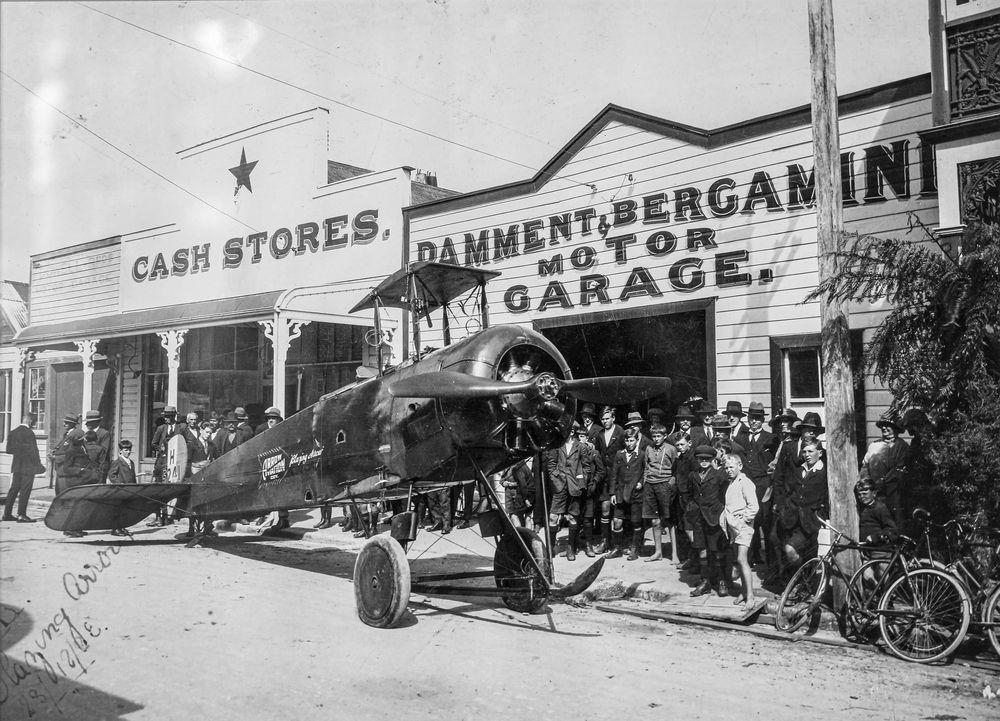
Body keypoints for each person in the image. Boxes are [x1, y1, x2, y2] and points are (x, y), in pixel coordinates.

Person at [734, 401, 778, 571]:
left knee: (766, 521)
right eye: (752, 418)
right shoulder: (740, 439)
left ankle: (770, 563)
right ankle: (750, 558)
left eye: (758, 419)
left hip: (764, 484)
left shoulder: (771, 439)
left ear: (762, 420)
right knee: (748, 521)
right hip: (746, 485)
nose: (754, 422)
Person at [543, 420, 594, 560]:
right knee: (553, 517)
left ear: (575, 432)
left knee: (573, 517)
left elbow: (586, 467)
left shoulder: (581, 447)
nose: (570, 432)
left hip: (575, 487)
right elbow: (551, 465)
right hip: (560, 487)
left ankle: (571, 549)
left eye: (572, 430)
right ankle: (550, 547)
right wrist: (556, 480)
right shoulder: (556, 445)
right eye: (567, 429)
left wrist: (581, 482)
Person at [777, 440, 829, 572]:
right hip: (791, 519)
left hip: (810, 521)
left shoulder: (825, 472)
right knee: (797, 553)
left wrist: (821, 514)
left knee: (793, 550)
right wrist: (785, 508)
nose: (807, 455)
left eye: (810, 451)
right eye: (804, 451)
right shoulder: (799, 469)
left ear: (820, 453)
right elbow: (789, 490)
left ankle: (804, 582)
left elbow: (828, 497)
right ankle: (801, 584)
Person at [686, 445, 729, 597]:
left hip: (714, 519)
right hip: (698, 519)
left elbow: (724, 496)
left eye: (707, 459)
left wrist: (719, 512)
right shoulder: (692, 475)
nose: (704, 462)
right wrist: (692, 511)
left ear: (712, 460)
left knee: (717, 551)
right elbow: (690, 495)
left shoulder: (719, 475)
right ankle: (705, 582)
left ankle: (722, 580)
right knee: (702, 550)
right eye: (701, 459)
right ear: (697, 459)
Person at [721, 454, 759, 609]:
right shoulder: (732, 483)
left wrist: (743, 520)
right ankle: (743, 592)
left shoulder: (746, 483)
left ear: (740, 466)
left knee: (743, 560)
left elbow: (754, 506)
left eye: (731, 467)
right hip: (734, 527)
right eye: (726, 468)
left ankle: (750, 597)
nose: (728, 470)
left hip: (743, 527)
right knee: (738, 559)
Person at [859, 415, 910, 528]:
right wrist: (866, 485)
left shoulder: (902, 446)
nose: (884, 428)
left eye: (888, 426)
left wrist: (883, 483)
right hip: (874, 494)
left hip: (893, 494)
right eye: (882, 426)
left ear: (896, 428)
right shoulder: (874, 445)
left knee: (893, 523)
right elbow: (865, 467)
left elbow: (899, 469)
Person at [641, 423, 678, 563]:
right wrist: (646, 481)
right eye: (654, 436)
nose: (656, 439)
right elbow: (646, 467)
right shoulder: (649, 448)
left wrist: (670, 484)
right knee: (654, 520)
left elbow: (676, 468)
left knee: (668, 521)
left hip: (665, 485)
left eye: (659, 436)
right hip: (650, 486)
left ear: (665, 436)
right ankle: (658, 552)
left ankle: (675, 554)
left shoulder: (671, 449)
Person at [591, 406, 624, 553]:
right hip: (605, 478)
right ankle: (605, 542)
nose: (605, 421)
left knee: (618, 513)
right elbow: (597, 455)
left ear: (613, 418)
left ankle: (618, 545)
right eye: (603, 419)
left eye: (607, 418)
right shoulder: (599, 435)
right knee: (604, 509)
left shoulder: (621, 432)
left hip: (618, 478)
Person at [608, 427, 645, 560]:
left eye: (632, 440)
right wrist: (612, 493)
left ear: (637, 440)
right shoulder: (619, 454)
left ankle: (635, 549)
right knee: (617, 521)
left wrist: (641, 482)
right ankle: (617, 548)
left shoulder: (641, 454)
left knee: (636, 522)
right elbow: (614, 474)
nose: (629, 443)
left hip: (635, 494)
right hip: (620, 493)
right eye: (627, 440)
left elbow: (645, 471)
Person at [3, 412, 42, 522]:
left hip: (17, 466)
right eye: (33, 423)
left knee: (13, 490)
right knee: (25, 490)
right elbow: (34, 451)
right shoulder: (29, 433)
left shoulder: (13, 432)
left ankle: (7, 514)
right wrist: (39, 466)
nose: (33, 425)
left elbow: (8, 450)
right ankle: (21, 515)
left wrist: (19, 451)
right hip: (28, 467)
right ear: (30, 421)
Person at [106, 439, 137, 536]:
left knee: (125, 510)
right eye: (125, 450)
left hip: (129, 489)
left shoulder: (131, 462)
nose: (128, 452)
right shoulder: (117, 462)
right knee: (118, 510)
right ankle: (115, 529)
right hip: (120, 490)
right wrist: (120, 483)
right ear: (120, 451)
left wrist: (135, 487)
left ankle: (122, 527)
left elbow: (133, 476)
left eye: (129, 450)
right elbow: (112, 475)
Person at [51, 413, 82, 494]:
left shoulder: (76, 434)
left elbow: (72, 453)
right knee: (59, 492)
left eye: (67, 422)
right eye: (64, 422)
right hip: (61, 469)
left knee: (64, 493)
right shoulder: (67, 434)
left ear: (73, 423)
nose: (64, 424)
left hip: (67, 470)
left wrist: (56, 458)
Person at [502, 457, 535, 527]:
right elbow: (502, 480)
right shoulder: (507, 466)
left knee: (515, 515)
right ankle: (524, 535)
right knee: (516, 515)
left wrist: (526, 499)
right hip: (510, 494)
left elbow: (523, 484)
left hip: (520, 493)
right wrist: (504, 483)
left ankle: (521, 535)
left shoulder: (519, 467)